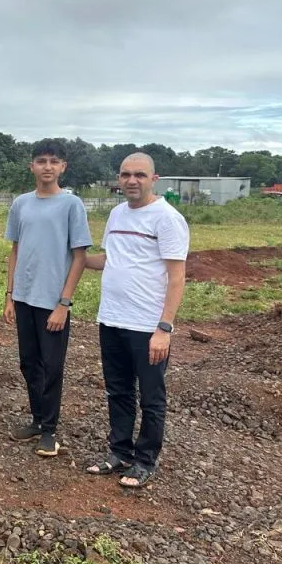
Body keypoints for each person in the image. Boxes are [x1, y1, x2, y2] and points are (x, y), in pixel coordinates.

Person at [84, 153, 188, 488]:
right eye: (126, 174)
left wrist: (164, 328)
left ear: (154, 179)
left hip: (147, 327)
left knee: (151, 396)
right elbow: (110, 259)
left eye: (140, 175)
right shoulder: (116, 214)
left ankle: (145, 460)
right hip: (112, 319)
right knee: (118, 390)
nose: (132, 180)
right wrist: (75, 257)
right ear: (119, 178)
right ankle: (119, 452)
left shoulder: (167, 219)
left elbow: (176, 277)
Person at [3, 139, 92, 458]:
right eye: (41, 161)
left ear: (63, 167)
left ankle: (50, 430)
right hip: (24, 298)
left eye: (53, 161)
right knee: (29, 363)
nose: (47, 167)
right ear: (32, 166)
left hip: (52, 302)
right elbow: (15, 250)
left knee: (52, 365)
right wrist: (10, 295)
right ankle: (37, 419)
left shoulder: (72, 205)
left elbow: (79, 256)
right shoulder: (21, 204)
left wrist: (63, 304)